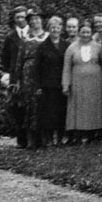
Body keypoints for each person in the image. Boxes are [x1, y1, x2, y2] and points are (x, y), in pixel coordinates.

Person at [62, 20, 102, 144]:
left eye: (88, 32)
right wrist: (66, 85)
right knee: (79, 106)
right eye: (83, 32)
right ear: (79, 33)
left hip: (95, 82)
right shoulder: (71, 47)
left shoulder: (98, 47)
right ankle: (78, 134)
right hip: (78, 82)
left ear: (91, 33)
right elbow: (66, 68)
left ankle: (94, 133)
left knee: (93, 105)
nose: (85, 35)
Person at [16, 7, 49, 149]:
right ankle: (30, 140)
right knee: (29, 106)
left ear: (41, 20)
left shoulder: (47, 37)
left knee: (43, 104)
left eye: (37, 18)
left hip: (43, 73)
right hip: (28, 75)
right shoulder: (25, 39)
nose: (35, 21)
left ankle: (44, 139)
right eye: (32, 19)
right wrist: (18, 79)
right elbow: (19, 60)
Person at [34, 16, 69, 147]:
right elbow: (37, 67)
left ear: (61, 29)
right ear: (49, 29)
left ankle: (60, 138)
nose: (55, 30)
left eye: (57, 27)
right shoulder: (43, 46)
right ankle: (48, 139)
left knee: (61, 111)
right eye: (53, 27)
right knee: (48, 113)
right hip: (47, 84)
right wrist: (38, 86)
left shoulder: (66, 45)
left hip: (62, 83)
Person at [1, 5, 29, 148]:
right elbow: (5, 58)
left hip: (30, 74)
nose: (20, 20)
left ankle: (33, 138)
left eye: (23, 17)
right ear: (14, 19)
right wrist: (8, 74)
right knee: (17, 107)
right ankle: (21, 139)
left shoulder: (33, 34)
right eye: (18, 17)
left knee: (31, 106)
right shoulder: (10, 37)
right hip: (15, 76)